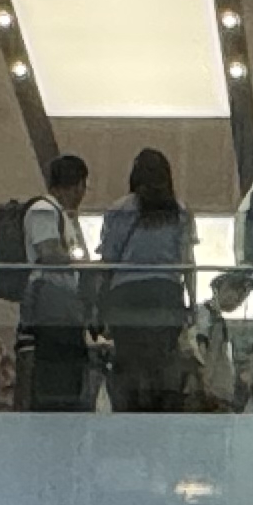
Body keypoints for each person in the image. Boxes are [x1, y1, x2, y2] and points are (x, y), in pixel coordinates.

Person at [96, 147, 195, 412]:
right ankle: (158, 412)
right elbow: (187, 262)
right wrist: (191, 303)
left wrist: (101, 305)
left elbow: (108, 261)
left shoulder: (119, 209)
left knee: (129, 362)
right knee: (161, 362)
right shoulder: (179, 211)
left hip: (126, 294)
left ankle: (131, 413)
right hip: (166, 293)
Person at [15, 152, 95, 413]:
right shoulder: (43, 211)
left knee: (69, 365)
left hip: (63, 301)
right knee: (56, 366)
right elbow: (47, 252)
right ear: (78, 185)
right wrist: (81, 263)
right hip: (50, 299)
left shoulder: (60, 215)